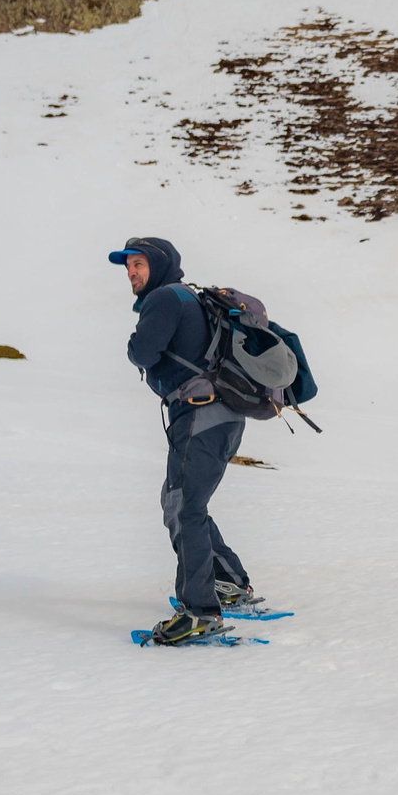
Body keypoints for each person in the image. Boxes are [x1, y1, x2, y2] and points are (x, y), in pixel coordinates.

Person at [114, 237, 263, 646]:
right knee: (182, 502)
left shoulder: (165, 298)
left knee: (184, 506)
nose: (131, 272)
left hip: (200, 416)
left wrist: (135, 345)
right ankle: (229, 583)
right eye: (128, 266)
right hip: (223, 416)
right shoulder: (190, 298)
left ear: (159, 265)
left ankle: (199, 611)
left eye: (139, 263)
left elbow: (141, 352)